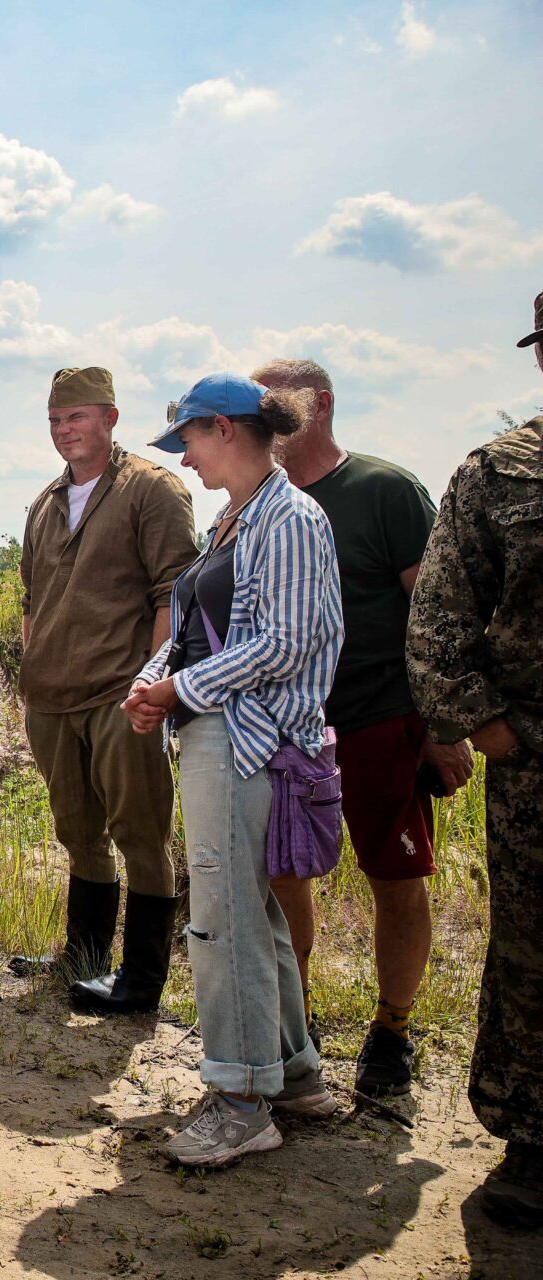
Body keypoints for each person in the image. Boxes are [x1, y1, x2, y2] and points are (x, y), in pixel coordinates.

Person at [123, 373, 342, 1166]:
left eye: (187, 440)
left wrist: (179, 690)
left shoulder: (290, 519)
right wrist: (153, 680)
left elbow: (283, 642)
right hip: (217, 731)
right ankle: (293, 1074)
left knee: (223, 921)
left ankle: (242, 1101)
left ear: (223, 428)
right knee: (254, 913)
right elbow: (194, 629)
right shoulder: (235, 520)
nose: (184, 459)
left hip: (246, 739)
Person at [255, 356, 472, 1098]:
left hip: (383, 719)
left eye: (275, 400)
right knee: (286, 874)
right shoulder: (260, 503)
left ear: (320, 404)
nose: (262, 415)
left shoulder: (385, 491)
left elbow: (437, 615)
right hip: (292, 727)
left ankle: (392, 1032)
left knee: (396, 875)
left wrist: (443, 725)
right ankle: (296, 1023)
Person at [406, 291, 543, 1229]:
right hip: (537, 763)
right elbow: (440, 615)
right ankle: (533, 1138)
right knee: (533, 950)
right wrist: (482, 723)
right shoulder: (502, 473)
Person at [11, 368, 197, 1013]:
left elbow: (174, 594)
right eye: (56, 420)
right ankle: (84, 957)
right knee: (77, 831)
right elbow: (31, 599)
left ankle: (141, 978)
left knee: (139, 833)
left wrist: (155, 685)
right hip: (52, 697)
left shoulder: (151, 489)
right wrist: (33, 671)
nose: (65, 430)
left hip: (122, 691)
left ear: (110, 418)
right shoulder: (45, 501)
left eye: (77, 417)